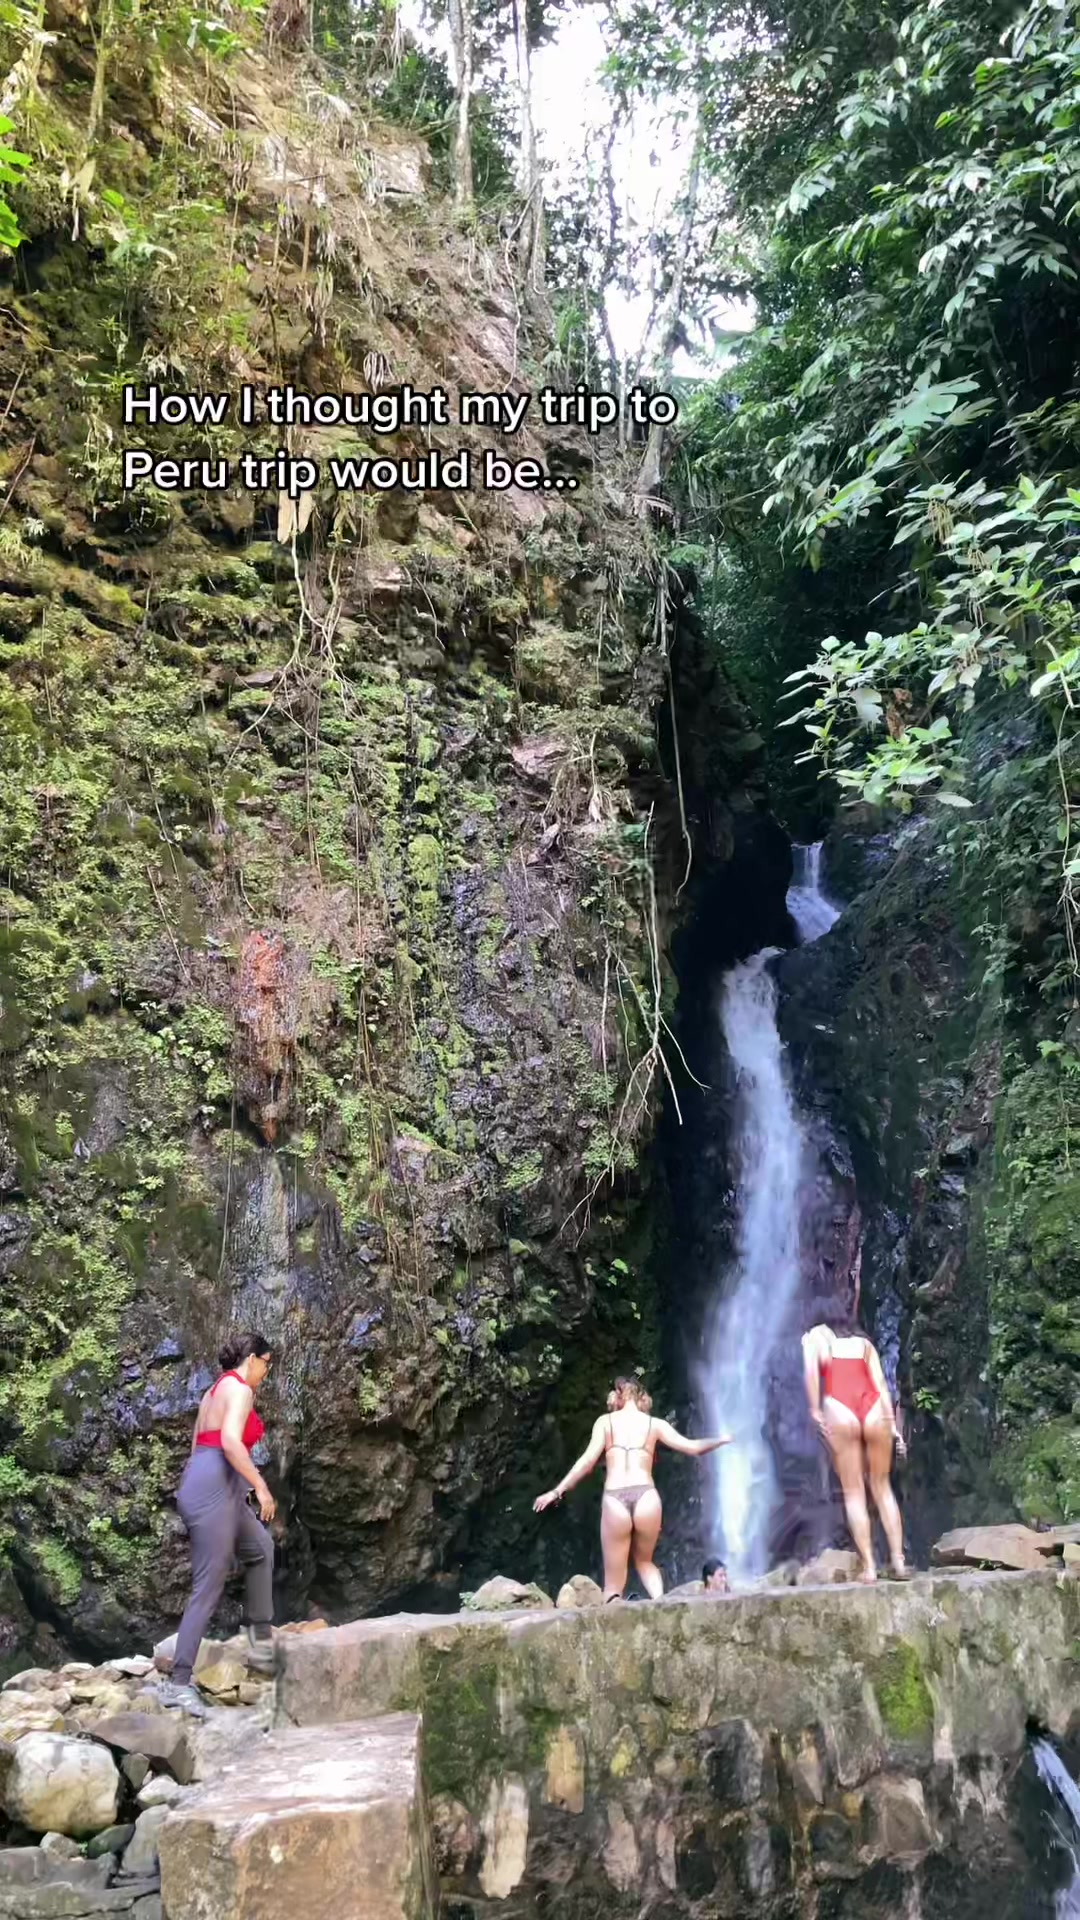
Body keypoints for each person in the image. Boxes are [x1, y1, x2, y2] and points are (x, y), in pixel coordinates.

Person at [533, 1376, 733, 1602]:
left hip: (615, 1498)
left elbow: (587, 1462)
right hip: (646, 1496)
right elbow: (693, 1447)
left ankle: (615, 1607)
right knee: (645, 1563)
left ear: (618, 1395)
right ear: (640, 1397)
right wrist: (722, 1439)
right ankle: (662, 1604)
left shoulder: (605, 1422)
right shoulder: (654, 1424)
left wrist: (556, 1491)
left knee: (613, 1584)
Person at [160, 1333, 278, 1713]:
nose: (267, 1371)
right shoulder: (240, 1389)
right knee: (208, 1587)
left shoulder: (212, 1392)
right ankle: (178, 1683)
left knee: (261, 1549)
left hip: (215, 1485)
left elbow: (199, 1448)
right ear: (252, 1359)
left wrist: (238, 1492)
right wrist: (260, 1488)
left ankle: (261, 1642)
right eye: (266, 1363)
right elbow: (229, 1442)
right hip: (213, 1490)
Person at [802, 1316, 909, 1584]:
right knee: (882, 1487)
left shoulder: (815, 1337)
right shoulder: (864, 1345)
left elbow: (812, 1374)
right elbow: (881, 1386)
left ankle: (870, 1568)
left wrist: (815, 1411)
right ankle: (898, 1561)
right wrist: (893, 1429)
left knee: (853, 1492)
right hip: (874, 1406)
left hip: (839, 1406)